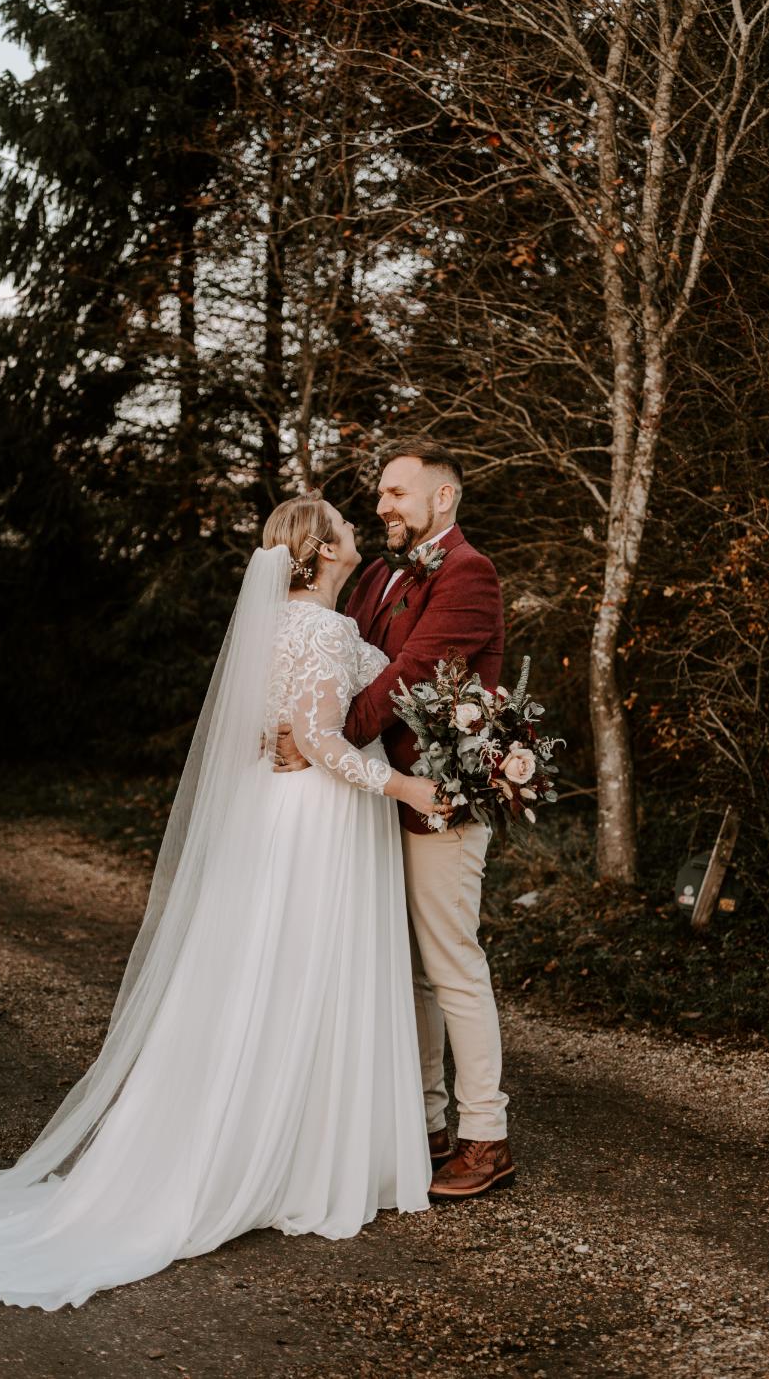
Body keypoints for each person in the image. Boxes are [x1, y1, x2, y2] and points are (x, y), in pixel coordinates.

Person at [0, 499, 445, 1324]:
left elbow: (285, 730)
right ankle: (301, 1154)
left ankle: (279, 1138)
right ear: (324, 548)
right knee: (309, 968)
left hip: (278, 813)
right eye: (343, 523)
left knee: (275, 971)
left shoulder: (284, 623)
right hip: (318, 819)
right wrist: (404, 786)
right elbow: (320, 738)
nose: (357, 528)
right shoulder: (321, 630)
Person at [276, 440, 514, 1200]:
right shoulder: (376, 572)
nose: (382, 507)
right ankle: (425, 1121)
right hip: (377, 797)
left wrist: (320, 740)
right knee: (407, 975)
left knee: (452, 966)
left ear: (442, 499)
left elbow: (409, 679)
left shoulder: (470, 575)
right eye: (379, 495)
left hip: (439, 795)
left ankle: (486, 1136)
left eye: (397, 494)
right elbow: (331, 663)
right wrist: (305, 727)